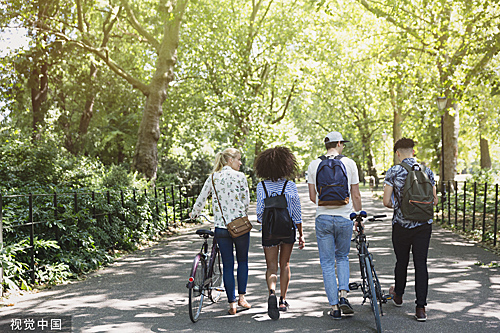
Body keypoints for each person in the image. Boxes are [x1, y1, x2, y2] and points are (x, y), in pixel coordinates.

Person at [307, 131, 362, 320]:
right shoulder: (349, 163)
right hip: (344, 217)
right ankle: (344, 296)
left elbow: (313, 197)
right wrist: (357, 216)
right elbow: (355, 194)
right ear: (338, 143)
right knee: (343, 257)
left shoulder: (314, 164)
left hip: (323, 218)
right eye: (343, 144)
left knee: (328, 263)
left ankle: (334, 307)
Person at [190, 148, 251, 315]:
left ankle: (231, 304)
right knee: (243, 262)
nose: (240, 163)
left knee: (228, 265)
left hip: (221, 228)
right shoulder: (240, 177)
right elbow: (246, 201)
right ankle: (242, 298)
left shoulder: (212, 177)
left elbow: (201, 199)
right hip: (240, 227)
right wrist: (241, 213)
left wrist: (193, 214)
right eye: (238, 159)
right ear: (229, 160)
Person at [382, 138, 438, 322]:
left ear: (397, 153)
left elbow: (386, 201)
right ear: (413, 151)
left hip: (401, 225)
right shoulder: (427, 171)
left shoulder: (394, 171)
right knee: (421, 263)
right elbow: (434, 200)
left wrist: (400, 207)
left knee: (402, 261)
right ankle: (420, 308)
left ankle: (398, 295)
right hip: (423, 225)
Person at [254, 146, 305, 320]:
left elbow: (260, 214)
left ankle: (271, 293)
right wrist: (301, 233)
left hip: (269, 231)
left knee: (271, 267)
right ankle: (283, 300)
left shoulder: (261, 186)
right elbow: (296, 211)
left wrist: (267, 220)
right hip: (287, 229)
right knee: (285, 264)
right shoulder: (290, 185)